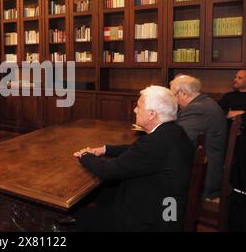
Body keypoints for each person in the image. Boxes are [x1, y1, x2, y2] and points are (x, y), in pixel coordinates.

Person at [73, 85, 194, 231]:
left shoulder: (156, 142)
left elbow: (108, 170)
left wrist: (85, 156)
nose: (135, 110)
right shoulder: (172, 131)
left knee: (80, 214)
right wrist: (104, 149)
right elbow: (136, 149)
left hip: (153, 220)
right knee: (104, 193)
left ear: (151, 114)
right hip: (166, 206)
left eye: (138, 106)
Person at [170, 75, 226, 200]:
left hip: (204, 176)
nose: (174, 99)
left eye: (173, 94)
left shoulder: (197, 109)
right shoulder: (205, 102)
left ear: (183, 93)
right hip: (208, 166)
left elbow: (178, 141)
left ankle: (169, 216)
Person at [219, 69, 246, 231]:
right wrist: (239, 114)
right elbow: (219, 113)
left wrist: (236, 115)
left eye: (240, 77)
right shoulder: (229, 96)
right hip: (228, 140)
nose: (235, 79)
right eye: (235, 77)